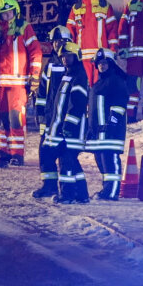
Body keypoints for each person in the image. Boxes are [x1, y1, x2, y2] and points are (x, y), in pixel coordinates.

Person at [0, 0, 42, 166]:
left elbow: (36, 52)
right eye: (3, 14)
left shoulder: (23, 27)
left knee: (16, 119)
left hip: (18, 82)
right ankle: (3, 151)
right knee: (3, 119)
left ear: (16, 11)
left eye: (10, 12)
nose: (7, 16)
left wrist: (34, 76)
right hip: (1, 83)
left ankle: (17, 154)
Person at [40, 40, 91, 204]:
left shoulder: (79, 76)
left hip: (72, 130)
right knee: (72, 162)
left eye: (68, 56)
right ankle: (82, 194)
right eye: (63, 57)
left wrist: (69, 125)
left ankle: (67, 195)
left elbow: (77, 104)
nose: (64, 60)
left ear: (76, 57)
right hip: (65, 129)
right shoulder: (69, 75)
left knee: (66, 163)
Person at [32, 26, 73, 198]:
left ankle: (67, 189)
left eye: (62, 42)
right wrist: (40, 113)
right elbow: (42, 92)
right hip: (49, 118)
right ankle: (49, 185)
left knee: (64, 154)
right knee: (45, 151)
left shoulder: (72, 63)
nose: (58, 45)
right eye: (56, 42)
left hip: (64, 118)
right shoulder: (50, 65)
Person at [86, 48, 130, 200]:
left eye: (105, 63)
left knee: (110, 160)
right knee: (101, 160)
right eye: (99, 63)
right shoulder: (100, 83)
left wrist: (112, 123)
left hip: (111, 131)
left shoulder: (116, 81)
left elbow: (119, 104)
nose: (101, 66)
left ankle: (112, 192)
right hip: (99, 132)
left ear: (111, 64)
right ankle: (106, 189)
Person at [66, 0, 117, 85]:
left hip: (100, 58)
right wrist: (70, 53)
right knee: (82, 86)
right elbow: (70, 32)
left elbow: (112, 31)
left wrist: (112, 51)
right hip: (81, 58)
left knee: (99, 86)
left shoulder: (105, 7)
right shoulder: (76, 8)